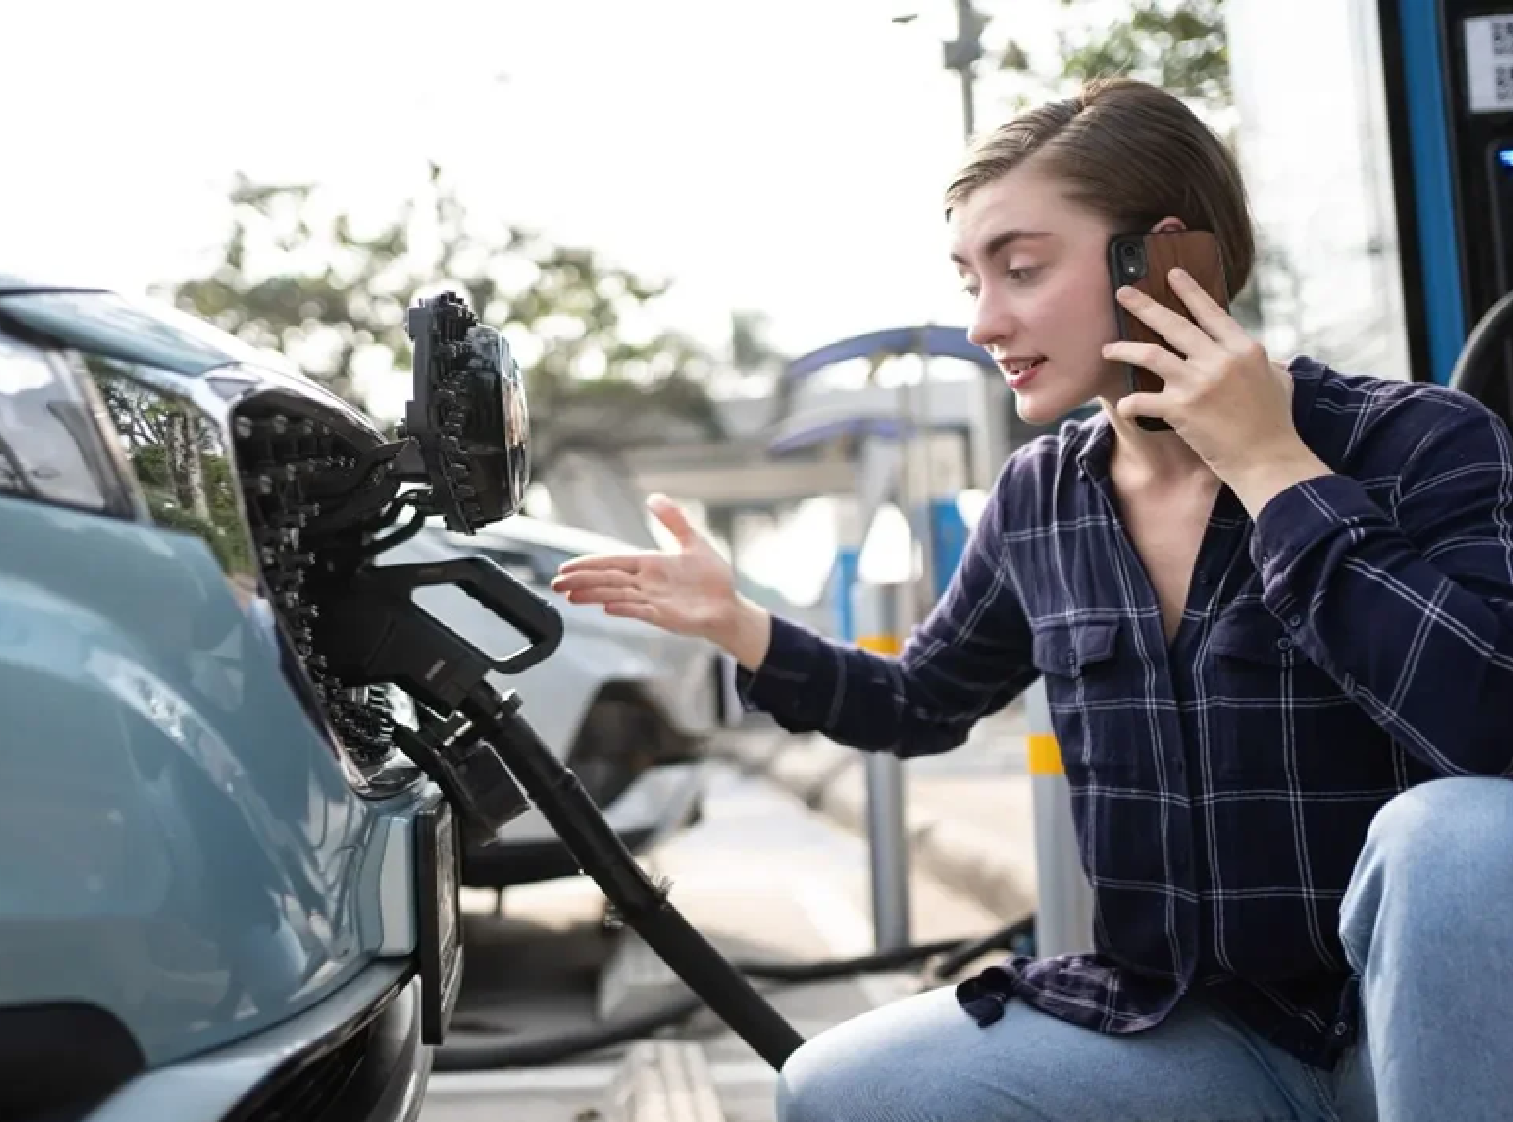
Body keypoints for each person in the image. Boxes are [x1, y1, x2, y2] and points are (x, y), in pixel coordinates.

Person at [552, 77, 1513, 1122]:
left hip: (1423, 1031)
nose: (982, 321)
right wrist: (737, 625)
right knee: (836, 1091)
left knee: (1457, 836)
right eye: (971, 278)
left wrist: (1275, 469)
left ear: (1165, 257)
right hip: (1206, 1036)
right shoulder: (1041, 498)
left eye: (1020, 269)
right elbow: (919, 701)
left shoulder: (1420, 441)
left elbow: (1489, 721)